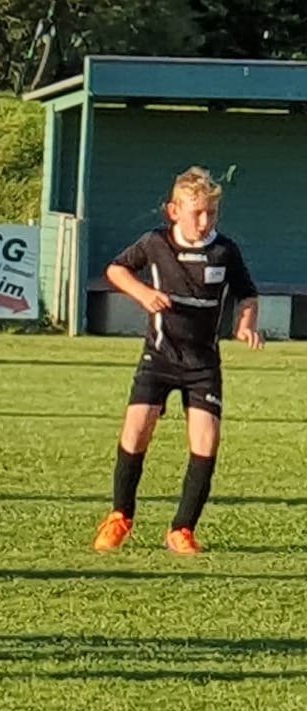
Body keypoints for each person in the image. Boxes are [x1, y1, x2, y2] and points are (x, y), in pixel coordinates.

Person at [91, 166, 262, 556]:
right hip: (159, 356)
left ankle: (182, 530)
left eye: (211, 213)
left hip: (203, 364)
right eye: (196, 213)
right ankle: (120, 516)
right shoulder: (155, 243)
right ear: (174, 211)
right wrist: (143, 294)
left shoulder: (225, 251)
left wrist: (246, 323)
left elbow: (247, 294)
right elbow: (116, 269)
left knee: (206, 441)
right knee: (136, 429)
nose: (204, 222)